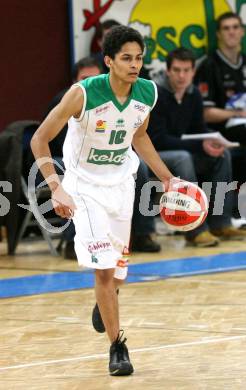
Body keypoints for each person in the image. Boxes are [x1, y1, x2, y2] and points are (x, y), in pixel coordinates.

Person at [31, 26, 175, 376]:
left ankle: (105, 300)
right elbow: (39, 140)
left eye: (139, 57)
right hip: (85, 188)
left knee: (118, 273)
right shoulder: (82, 94)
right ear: (108, 61)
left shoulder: (147, 93)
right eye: (126, 58)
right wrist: (57, 186)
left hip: (122, 185)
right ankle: (117, 346)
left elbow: (138, 136)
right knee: (105, 270)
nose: (134, 64)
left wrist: (167, 178)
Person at [148, 47, 246, 247]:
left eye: (186, 70)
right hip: (153, 155)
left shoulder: (193, 95)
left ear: (193, 72)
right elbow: (158, 139)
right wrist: (199, 144)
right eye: (176, 70)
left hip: (180, 150)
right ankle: (195, 229)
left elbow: (198, 130)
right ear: (168, 71)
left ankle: (220, 222)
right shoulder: (155, 94)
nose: (181, 76)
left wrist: (211, 141)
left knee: (222, 155)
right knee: (183, 157)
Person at [44, 56, 102, 259]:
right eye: (84, 79)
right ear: (74, 82)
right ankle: (72, 241)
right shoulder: (64, 101)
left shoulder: (109, 103)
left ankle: (140, 235)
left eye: (95, 79)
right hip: (54, 160)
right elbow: (49, 143)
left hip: (93, 160)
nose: (90, 84)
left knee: (136, 168)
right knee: (76, 170)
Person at [195, 12, 246, 217]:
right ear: (218, 34)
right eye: (226, 28)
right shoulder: (209, 66)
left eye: (235, 27)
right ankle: (236, 210)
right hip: (222, 129)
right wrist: (237, 112)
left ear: (242, 32)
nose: (232, 32)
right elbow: (205, 114)